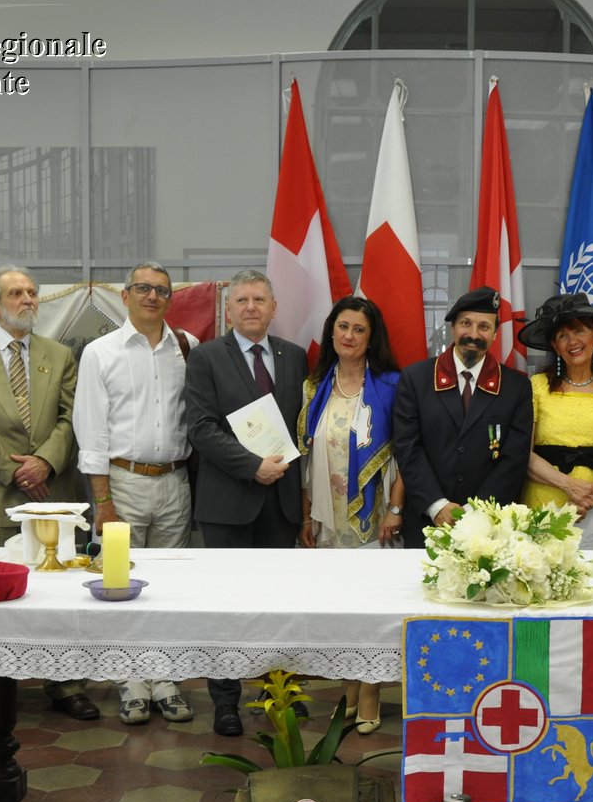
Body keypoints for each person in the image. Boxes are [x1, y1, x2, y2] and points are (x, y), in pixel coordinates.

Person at [0, 265, 93, 719]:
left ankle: (66, 683)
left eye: (31, 293)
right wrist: (17, 471)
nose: (28, 300)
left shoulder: (60, 355)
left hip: (54, 489)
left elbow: (72, 417)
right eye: (16, 294)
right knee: (0, 589)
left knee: (61, 590)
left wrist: (45, 461)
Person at [186, 268, 308, 737]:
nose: (251, 307)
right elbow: (200, 428)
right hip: (228, 502)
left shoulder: (293, 357)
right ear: (228, 309)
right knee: (227, 606)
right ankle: (225, 699)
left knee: (278, 604)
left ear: (274, 308)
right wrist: (251, 465)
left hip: (280, 504)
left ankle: (280, 692)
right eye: (242, 300)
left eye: (260, 299)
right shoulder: (205, 358)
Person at [75, 262, 196, 727]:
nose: (152, 296)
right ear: (125, 296)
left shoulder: (187, 348)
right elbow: (92, 430)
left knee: (169, 590)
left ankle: (165, 680)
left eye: (161, 290)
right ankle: (130, 682)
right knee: (121, 585)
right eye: (143, 288)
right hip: (120, 484)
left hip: (175, 483)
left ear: (170, 298)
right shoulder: (100, 353)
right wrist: (101, 500)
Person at [296, 296, 405, 733]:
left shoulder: (392, 386)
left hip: (374, 514)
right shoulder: (314, 386)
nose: (349, 336)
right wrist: (307, 516)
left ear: (371, 337)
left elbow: (404, 455)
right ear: (331, 332)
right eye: (343, 327)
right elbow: (304, 460)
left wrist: (395, 508)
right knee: (341, 604)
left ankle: (372, 687)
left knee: (372, 604)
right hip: (328, 516)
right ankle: (349, 686)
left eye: (359, 329)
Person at [392, 286, 533, 547]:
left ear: (494, 333)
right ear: (452, 327)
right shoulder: (416, 379)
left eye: (484, 326)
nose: (473, 334)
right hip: (426, 520)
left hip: (489, 525)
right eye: (466, 324)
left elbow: (515, 458)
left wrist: (474, 512)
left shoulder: (517, 387)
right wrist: (438, 506)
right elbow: (407, 448)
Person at [517, 293, 593, 550]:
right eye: (562, 335)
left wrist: (591, 493)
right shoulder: (537, 387)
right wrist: (570, 486)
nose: (572, 341)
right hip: (545, 504)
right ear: (554, 345)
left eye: (579, 331)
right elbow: (523, 454)